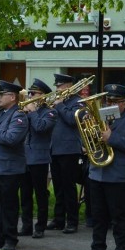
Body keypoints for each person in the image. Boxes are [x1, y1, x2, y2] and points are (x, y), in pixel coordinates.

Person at [81, 84, 125, 250]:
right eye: (108, 101)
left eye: (116, 102)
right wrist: (87, 144)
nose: (110, 104)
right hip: (97, 174)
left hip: (119, 177)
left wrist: (112, 138)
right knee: (98, 218)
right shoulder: (99, 116)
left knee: (119, 219)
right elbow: (87, 136)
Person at [0, 81, 28, 250]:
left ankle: (11, 238)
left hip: (9, 168)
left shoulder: (19, 115)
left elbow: (11, 138)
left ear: (12, 97)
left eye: (1, 95)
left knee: (9, 205)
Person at [20, 78, 57, 238]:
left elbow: (41, 128)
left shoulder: (50, 112)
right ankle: (26, 226)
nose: (30, 96)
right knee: (25, 194)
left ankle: (40, 227)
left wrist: (33, 112)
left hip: (39, 159)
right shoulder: (25, 111)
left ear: (43, 96)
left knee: (40, 195)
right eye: (30, 93)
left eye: (34, 93)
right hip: (24, 158)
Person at [48, 73, 83, 234]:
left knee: (69, 187)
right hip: (55, 148)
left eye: (60, 86)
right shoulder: (56, 102)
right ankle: (59, 219)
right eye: (56, 86)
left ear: (69, 86)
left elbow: (72, 120)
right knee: (58, 187)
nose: (57, 89)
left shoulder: (78, 102)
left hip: (69, 150)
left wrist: (60, 105)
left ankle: (72, 221)